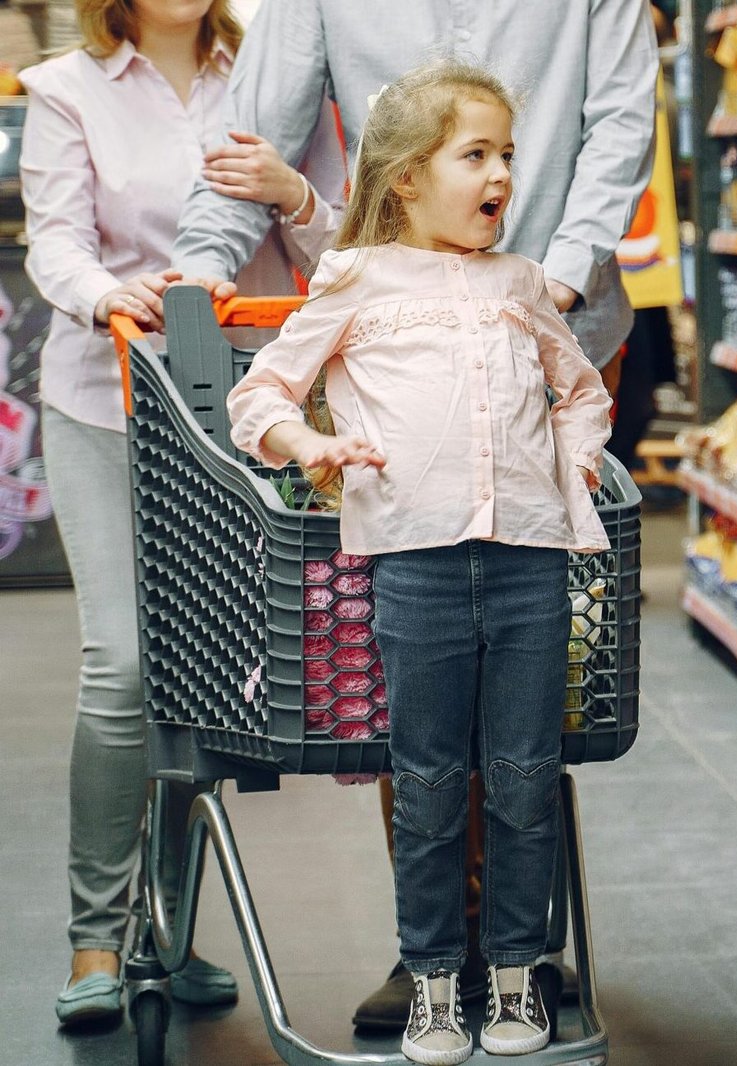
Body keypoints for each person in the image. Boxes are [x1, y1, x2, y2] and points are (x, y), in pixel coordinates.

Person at [172, 0, 657, 1029]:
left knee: (541, 689)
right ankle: (446, 948)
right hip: (392, 349)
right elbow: (258, 134)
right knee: (424, 708)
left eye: (503, 154)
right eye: (479, 154)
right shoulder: (354, 268)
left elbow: (622, 124)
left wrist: (552, 286)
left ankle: (518, 943)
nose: (496, 171)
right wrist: (201, 270)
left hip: (557, 303)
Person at [19, 0, 342, 1030]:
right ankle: (94, 937)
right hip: (105, 402)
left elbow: (341, 242)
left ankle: (171, 929)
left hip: (235, 415)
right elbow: (53, 244)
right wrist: (111, 295)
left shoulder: (278, 77)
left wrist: (292, 193)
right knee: (122, 661)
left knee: (198, 670)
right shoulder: (66, 91)